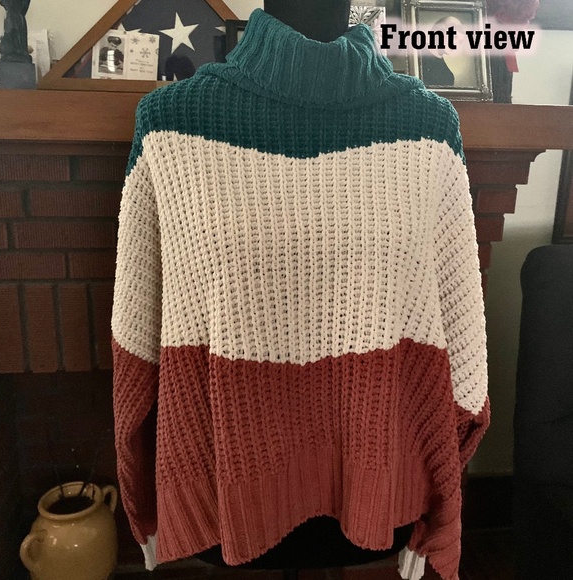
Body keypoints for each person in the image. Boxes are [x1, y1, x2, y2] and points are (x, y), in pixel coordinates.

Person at [111, 1, 489, 579]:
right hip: (225, 494)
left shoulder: (430, 129)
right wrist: (146, 506)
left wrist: (441, 513)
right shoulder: (170, 126)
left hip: (381, 486)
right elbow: (135, 346)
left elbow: (464, 353)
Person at [421, 16, 463, 87]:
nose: (455, 44)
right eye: (454, 37)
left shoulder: (448, 76)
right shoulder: (414, 55)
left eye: (460, 42)